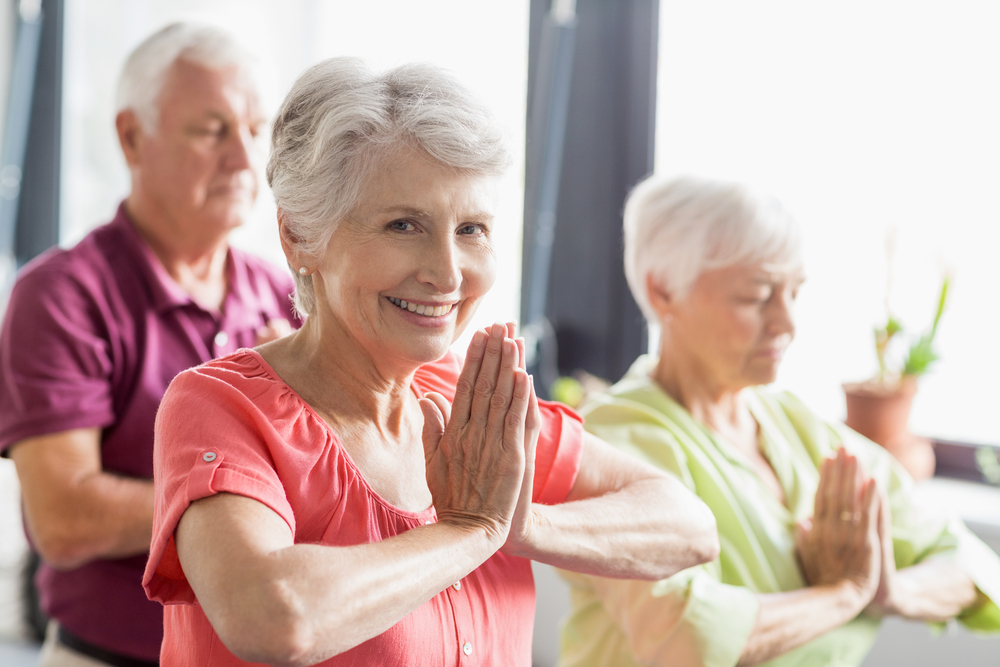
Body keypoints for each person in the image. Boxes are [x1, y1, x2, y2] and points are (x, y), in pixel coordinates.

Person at [141, 57, 721, 666]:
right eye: (403, 225)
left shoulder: (470, 396)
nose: (447, 273)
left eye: (471, 228)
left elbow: (688, 525)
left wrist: (519, 527)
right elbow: (273, 615)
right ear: (300, 236)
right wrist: (468, 532)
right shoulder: (219, 406)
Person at [556, 174, 1000, 667]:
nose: (787, 323)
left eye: (794, 293)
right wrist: (843, 593)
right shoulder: (610, 438)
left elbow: (969, 561)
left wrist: (888, 590)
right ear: (663, 292)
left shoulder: (793, 422)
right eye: (757, 296)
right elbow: (681, 639)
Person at [0, 23, 297, 666]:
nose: (246, 158)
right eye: (212, 130)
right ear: (133, 137)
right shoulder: (61, 294)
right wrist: (247, 495)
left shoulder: (285, 295)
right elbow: (65, 517)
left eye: (254, 128)